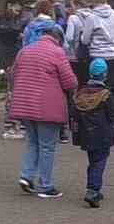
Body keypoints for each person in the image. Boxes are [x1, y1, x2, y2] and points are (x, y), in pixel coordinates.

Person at [9, 20, 76, 198]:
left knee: (32, 142)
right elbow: (70, 82)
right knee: (47, 146)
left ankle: (26, 176)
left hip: (25, 105)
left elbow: (13, 75)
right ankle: (46, 186)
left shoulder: (24, 51)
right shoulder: (57, 52)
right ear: (58, 38)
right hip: (47, 107)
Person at [70, 56, 114, 207]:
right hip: (102, 135)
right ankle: (93, 190)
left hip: (86, 135)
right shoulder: (106, 95)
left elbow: (74, 114)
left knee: (93, 162)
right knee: (99, 162)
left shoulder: (80, 94)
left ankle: (93, 187)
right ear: (105, 75)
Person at [0, 0, 29, 139]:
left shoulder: (14, 21)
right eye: (17, 7)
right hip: (9, 59)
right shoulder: (1, 21)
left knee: (18, 91)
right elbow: (8, 32)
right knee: (12, 92)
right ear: (9, 5)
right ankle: (11, 125)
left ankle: (19, 124)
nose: (19, 11)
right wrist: (19, 33)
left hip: (16, 58)